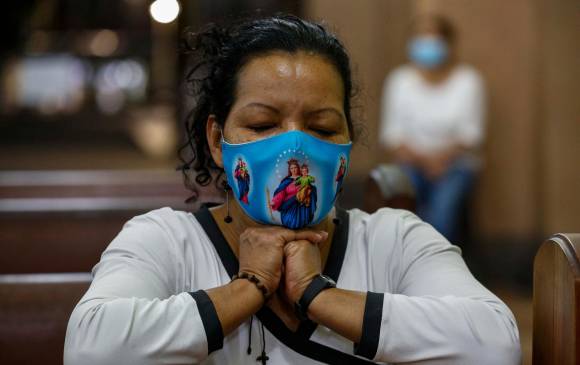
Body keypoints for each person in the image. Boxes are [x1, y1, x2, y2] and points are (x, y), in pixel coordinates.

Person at [64, 14, 519, 365]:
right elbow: (90, 349)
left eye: (321, 127)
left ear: (346, 142)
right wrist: (249, 287)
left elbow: (495, 344)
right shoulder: (165, 242)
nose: (296, 147)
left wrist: (318, 294)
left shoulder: (394, 241)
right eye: (263, 124)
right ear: (218, 141)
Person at [379, 14, 485, 244]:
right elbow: (392, 136)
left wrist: (440, 161)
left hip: (455, 165)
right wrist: (424, 161)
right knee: (403, 212)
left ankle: (440, 266)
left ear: (448, 43)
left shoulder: (468, 81)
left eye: (433, 37)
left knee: (442, 214)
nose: (426, 44)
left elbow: (471, 135)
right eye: (421, 37)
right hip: (411, 163)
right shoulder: (400, 80)